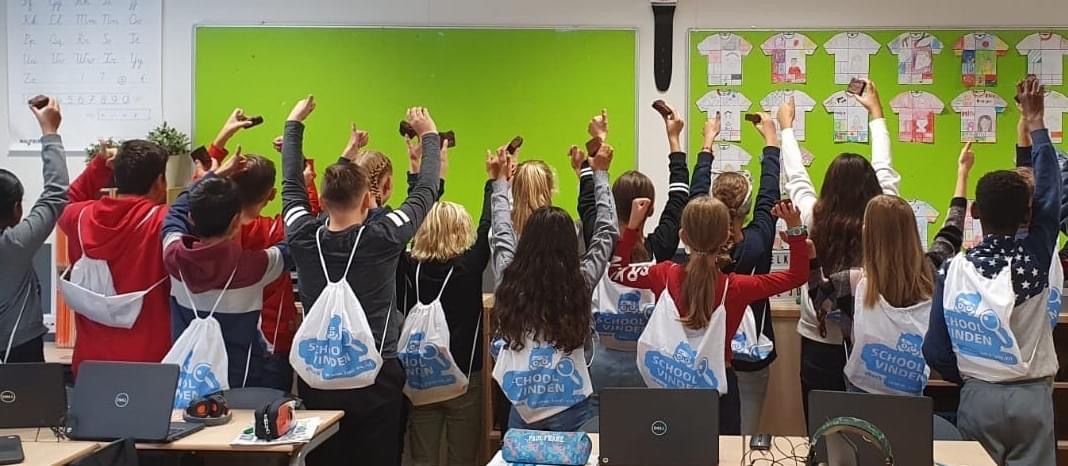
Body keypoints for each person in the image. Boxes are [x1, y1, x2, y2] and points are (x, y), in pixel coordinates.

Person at [281, 95, 441, 466]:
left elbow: (291, 184)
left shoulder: (302, 235)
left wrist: (294, 124)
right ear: (369, 200)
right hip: (376, 377)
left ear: (321, 201)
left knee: (324, 457)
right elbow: (426, 191)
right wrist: (429, 136)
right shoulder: (384, 236)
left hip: (318, 375)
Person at [924, 76, 1060, 466]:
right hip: (1032, 397)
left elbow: (935, 350)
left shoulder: (952, 270)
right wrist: (1035, 121)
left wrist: (973, 373)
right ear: (1029, 216)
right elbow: (1050, 193)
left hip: (978, 394)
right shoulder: (1033, 259)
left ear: (974, 212)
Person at [608, 196, 812, 435]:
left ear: (683, 236)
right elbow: (797, 276)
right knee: (721, 451)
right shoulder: (736, 287)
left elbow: (616, 272)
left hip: (668, 385)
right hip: (718, 390)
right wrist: (795, 228)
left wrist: (632, 227)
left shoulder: (663, 274)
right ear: (726, 237)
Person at [778, 79, 900, 422]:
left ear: (829, 185)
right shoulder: (882, 214)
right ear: (872, 186)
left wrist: (786, 128)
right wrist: (876, 113)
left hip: (820, 340)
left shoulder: (813, 215)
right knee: (871, 428)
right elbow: (885, 168)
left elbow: (796, 178)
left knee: (823, 429)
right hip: (873, 339)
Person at [808, 143, 972, 396]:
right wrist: (962, 174)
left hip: (862, 392)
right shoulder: (928, 273)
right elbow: (952, 232)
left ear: (868, 233)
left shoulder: (852, 283)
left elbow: (820, 300)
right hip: (910, 395)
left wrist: (811, 259)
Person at [491, 141, 618, 432]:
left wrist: (500, 184)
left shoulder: (510, 277)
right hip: (570, 403)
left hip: (523, 404)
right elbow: (607, 232)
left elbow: (501, 233)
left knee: (521, 455)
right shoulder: (580, 280)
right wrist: (600, 175)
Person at [577, 104, 702, 393]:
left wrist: (597, 147)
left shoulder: (601, 240)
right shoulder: (661, 247)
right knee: (647, 422)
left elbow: (588, 202)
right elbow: (679, 197)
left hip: (600, 363)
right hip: (647, 361)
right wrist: (674, 140)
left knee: (599, 423)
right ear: (651, 208)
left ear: (611, 204)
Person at [162, 148, 293, 391]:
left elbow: (176, 209)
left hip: (188, 377)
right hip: (242, 380)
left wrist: (217, 174)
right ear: (235, 223)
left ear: (191, 219)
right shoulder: (256, 267)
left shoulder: (172, 256)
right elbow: (297, 240)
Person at [58, 136, 173, 375]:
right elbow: (202, 214)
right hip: (153, 368)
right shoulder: (164, 222)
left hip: (90, 367)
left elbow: (63, 202)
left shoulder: (78, 218)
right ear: (160, 181)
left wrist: (99, 166)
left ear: (116, 177)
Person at [398, 189, 491, 465]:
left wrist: (421, 184)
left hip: (420, 378)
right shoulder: (469, 267)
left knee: (422, 458)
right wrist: (494, 183)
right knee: (462, 458)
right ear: (461, 231)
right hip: (464, 379)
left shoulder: (410, 266)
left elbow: (404, 222)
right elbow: (487, 225)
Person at [710, 112, 781, 434]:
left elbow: (694, 192)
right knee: (744, 438)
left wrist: (707, 144)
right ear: (748, 208)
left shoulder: (703, 242)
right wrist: (771, 141)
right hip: (751, 356)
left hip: (708, 351)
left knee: (708, 436)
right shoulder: (758, 241)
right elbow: (769, 194)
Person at [0, 97, 68, 363]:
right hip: (20, 349)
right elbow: (55, 194)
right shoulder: (15, 244)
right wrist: (50, 132)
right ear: (16, 209)